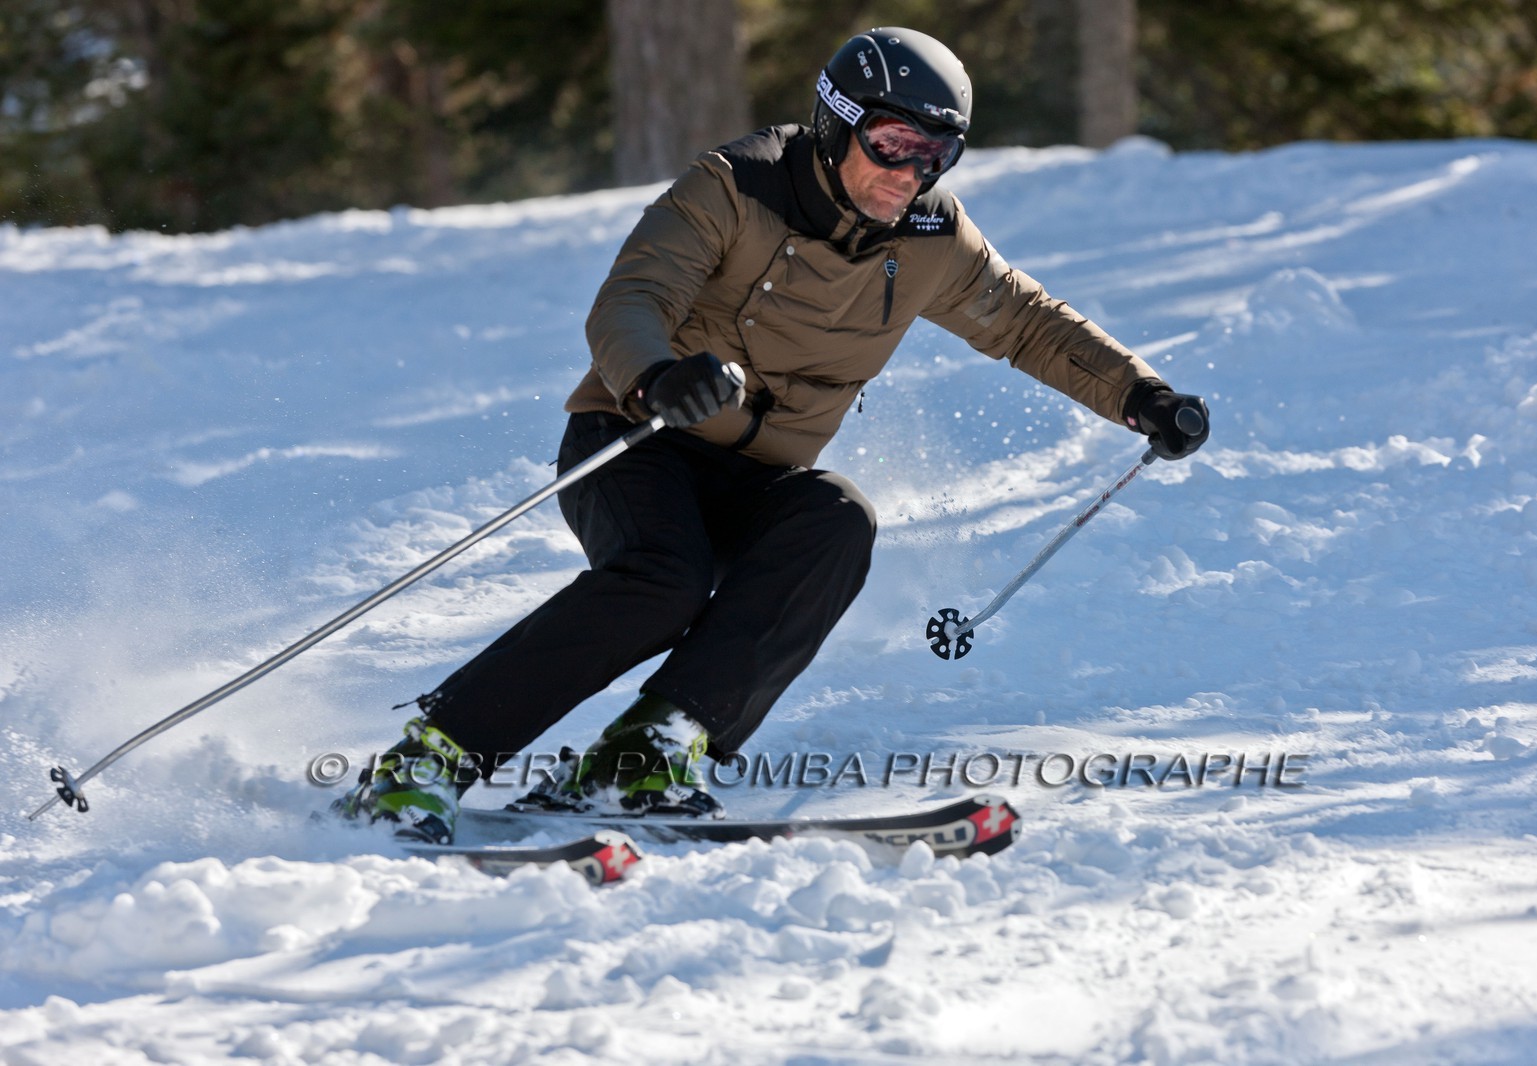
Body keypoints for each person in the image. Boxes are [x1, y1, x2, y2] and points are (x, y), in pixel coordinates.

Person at [338, 27, 1209, 844]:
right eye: (892, 143)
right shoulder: (733, 186)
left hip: (758, 473)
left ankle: (652, 747)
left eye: (936, 153)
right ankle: (428, 758)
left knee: (836, 519)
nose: (910, 172)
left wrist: (1141, 395)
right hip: (639, 436)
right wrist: (657, 375)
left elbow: (1030, 325)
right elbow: (633, 298)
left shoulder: (934, 236)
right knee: (662, 580)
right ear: (837, 125)